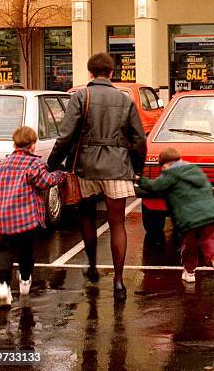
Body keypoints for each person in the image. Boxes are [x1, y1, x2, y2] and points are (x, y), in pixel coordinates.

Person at [47, 52, 146, 301]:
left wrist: (52, 164)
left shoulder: (82, 96)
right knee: (117, 223)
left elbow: (66, 136)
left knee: (87, 218)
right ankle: (119, 281)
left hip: (86, 167)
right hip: (117, 167)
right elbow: (139, 140)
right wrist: (137, 168)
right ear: (111, 73)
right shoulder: (125, 100)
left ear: (90, 73)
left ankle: (92, 267)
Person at [0, 126, 67, 307]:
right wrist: (60, 175)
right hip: (25, 219)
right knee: (25, 252)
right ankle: (24, 281)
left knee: (5, 251)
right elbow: (45, 182)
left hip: (2, 217)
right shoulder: (34, 165)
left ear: (14, 144)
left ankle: (3, 286)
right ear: (33, 145)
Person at [136, 147, 214, 289]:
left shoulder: (170, 174)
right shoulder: (196, 170)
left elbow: (155, 186)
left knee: (189, 246)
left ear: (165, 164)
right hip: (210, 214)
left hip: (188, 219)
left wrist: (139, 179)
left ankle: (190, 273)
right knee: (208, 241)